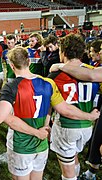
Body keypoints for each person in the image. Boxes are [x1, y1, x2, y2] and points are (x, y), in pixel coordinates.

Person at [0, 47, 99, 180]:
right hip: (41, 145)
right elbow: (64, 109)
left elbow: (0, 117)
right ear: (29, 62)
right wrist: (89, 116)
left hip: (21, 146)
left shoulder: (11, 86)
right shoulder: (48, 83)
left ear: (12, 66)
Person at [48, 34, 100, 180]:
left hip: (66, 126)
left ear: (63, 52)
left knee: (68, 174)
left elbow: (50, 105)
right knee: (73, 158)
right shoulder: (93, 71)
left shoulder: (56, 74)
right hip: (86, 127)